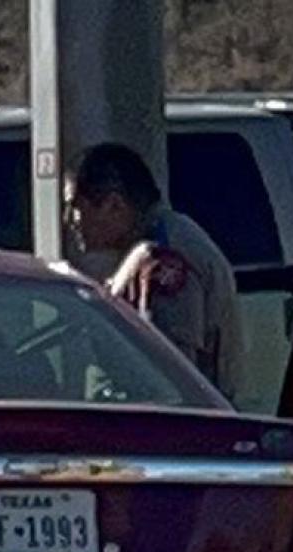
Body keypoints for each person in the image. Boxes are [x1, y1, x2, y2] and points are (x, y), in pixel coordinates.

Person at [65, 142, 243, 400]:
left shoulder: (162, 259)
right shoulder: (168, 238)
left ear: (114, 204)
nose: (69, 220)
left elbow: (170, 377)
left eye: (75, 207)